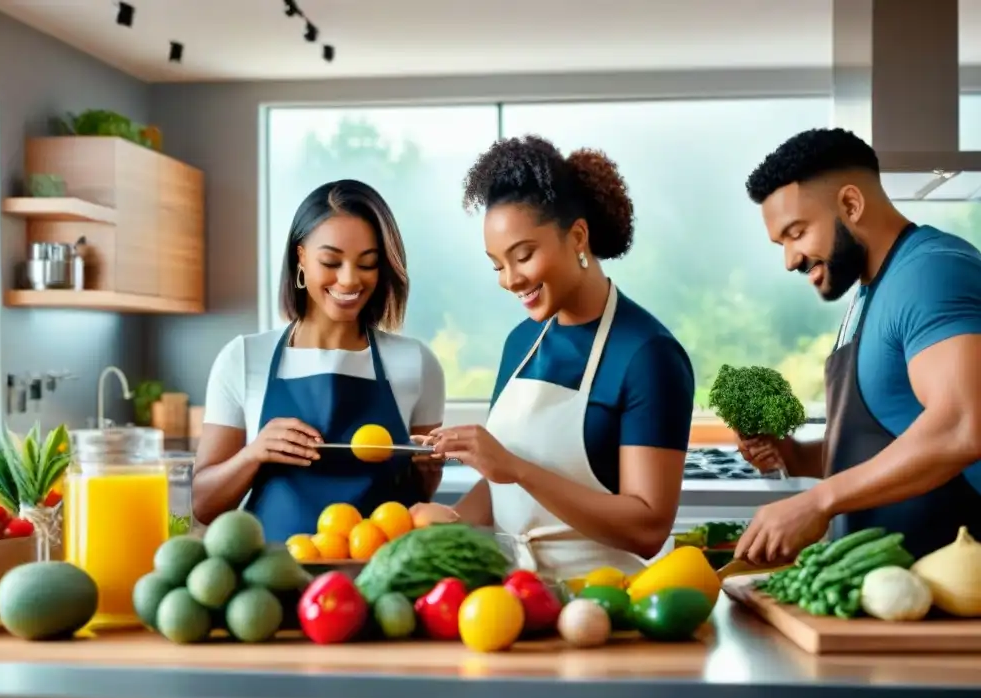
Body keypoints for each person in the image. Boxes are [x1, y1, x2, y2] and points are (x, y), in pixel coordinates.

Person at [413, 135, 695, 581]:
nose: (509, 280)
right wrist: (449, 520)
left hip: (607, 606)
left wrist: (518, 470)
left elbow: (647, 527)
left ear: (577, 236)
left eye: (523, 256)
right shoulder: (519, 343)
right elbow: (504, 485)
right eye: (496, 265)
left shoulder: (648, 355)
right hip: (517, 599)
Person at [734, 127, 981, 564]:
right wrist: (795, 455)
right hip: (891, 590)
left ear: (850, 205)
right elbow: (883, 442)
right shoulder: (867, 295)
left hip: (952, 598)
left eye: (797, 232)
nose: (790, 259)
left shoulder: (931, 274)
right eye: (781, 243)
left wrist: (819, 500)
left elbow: (963, 424)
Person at [192, 179, 446, 541]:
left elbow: (421, 496)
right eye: (331, 261)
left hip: (382, 581)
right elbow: (204, 505)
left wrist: (432, 467)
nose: (348, 280)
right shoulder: (244, 358)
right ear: (301, 257)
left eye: (368, 264)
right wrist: (253, 454)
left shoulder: (417, 363)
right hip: (273, 580)